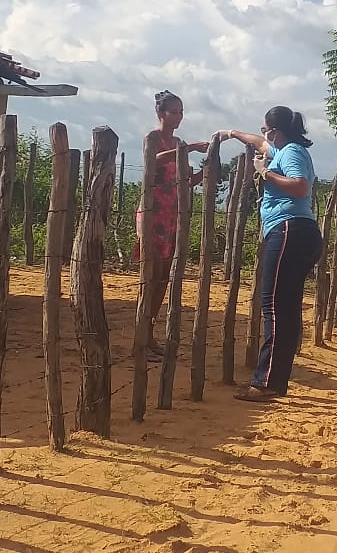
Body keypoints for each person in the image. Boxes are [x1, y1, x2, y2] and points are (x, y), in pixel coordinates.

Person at [215, 105, 323, 402]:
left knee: (274, 308)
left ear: (275, 131)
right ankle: (274, 381)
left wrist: (266, 173)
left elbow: (300, 187)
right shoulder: (285, 148)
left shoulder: (290, 153)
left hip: (289, 230)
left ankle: (266, 383)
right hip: (299, 232)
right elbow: (259, 143)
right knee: (285, 310)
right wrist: (231, 134)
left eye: (265, 130)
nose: (263, 136)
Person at [137, 91, 208, 361]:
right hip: (152, 213)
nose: (178, 116)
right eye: (173, 111)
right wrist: (186, 150)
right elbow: (151, 162)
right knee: (150, 275)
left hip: (171, 216)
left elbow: (184, 181)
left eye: (180, 112)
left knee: (163, 279)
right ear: (161, 113)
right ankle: (139, 340)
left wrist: (203, 172)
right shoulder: (153, 139)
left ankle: (149, 336)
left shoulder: (178, 142)